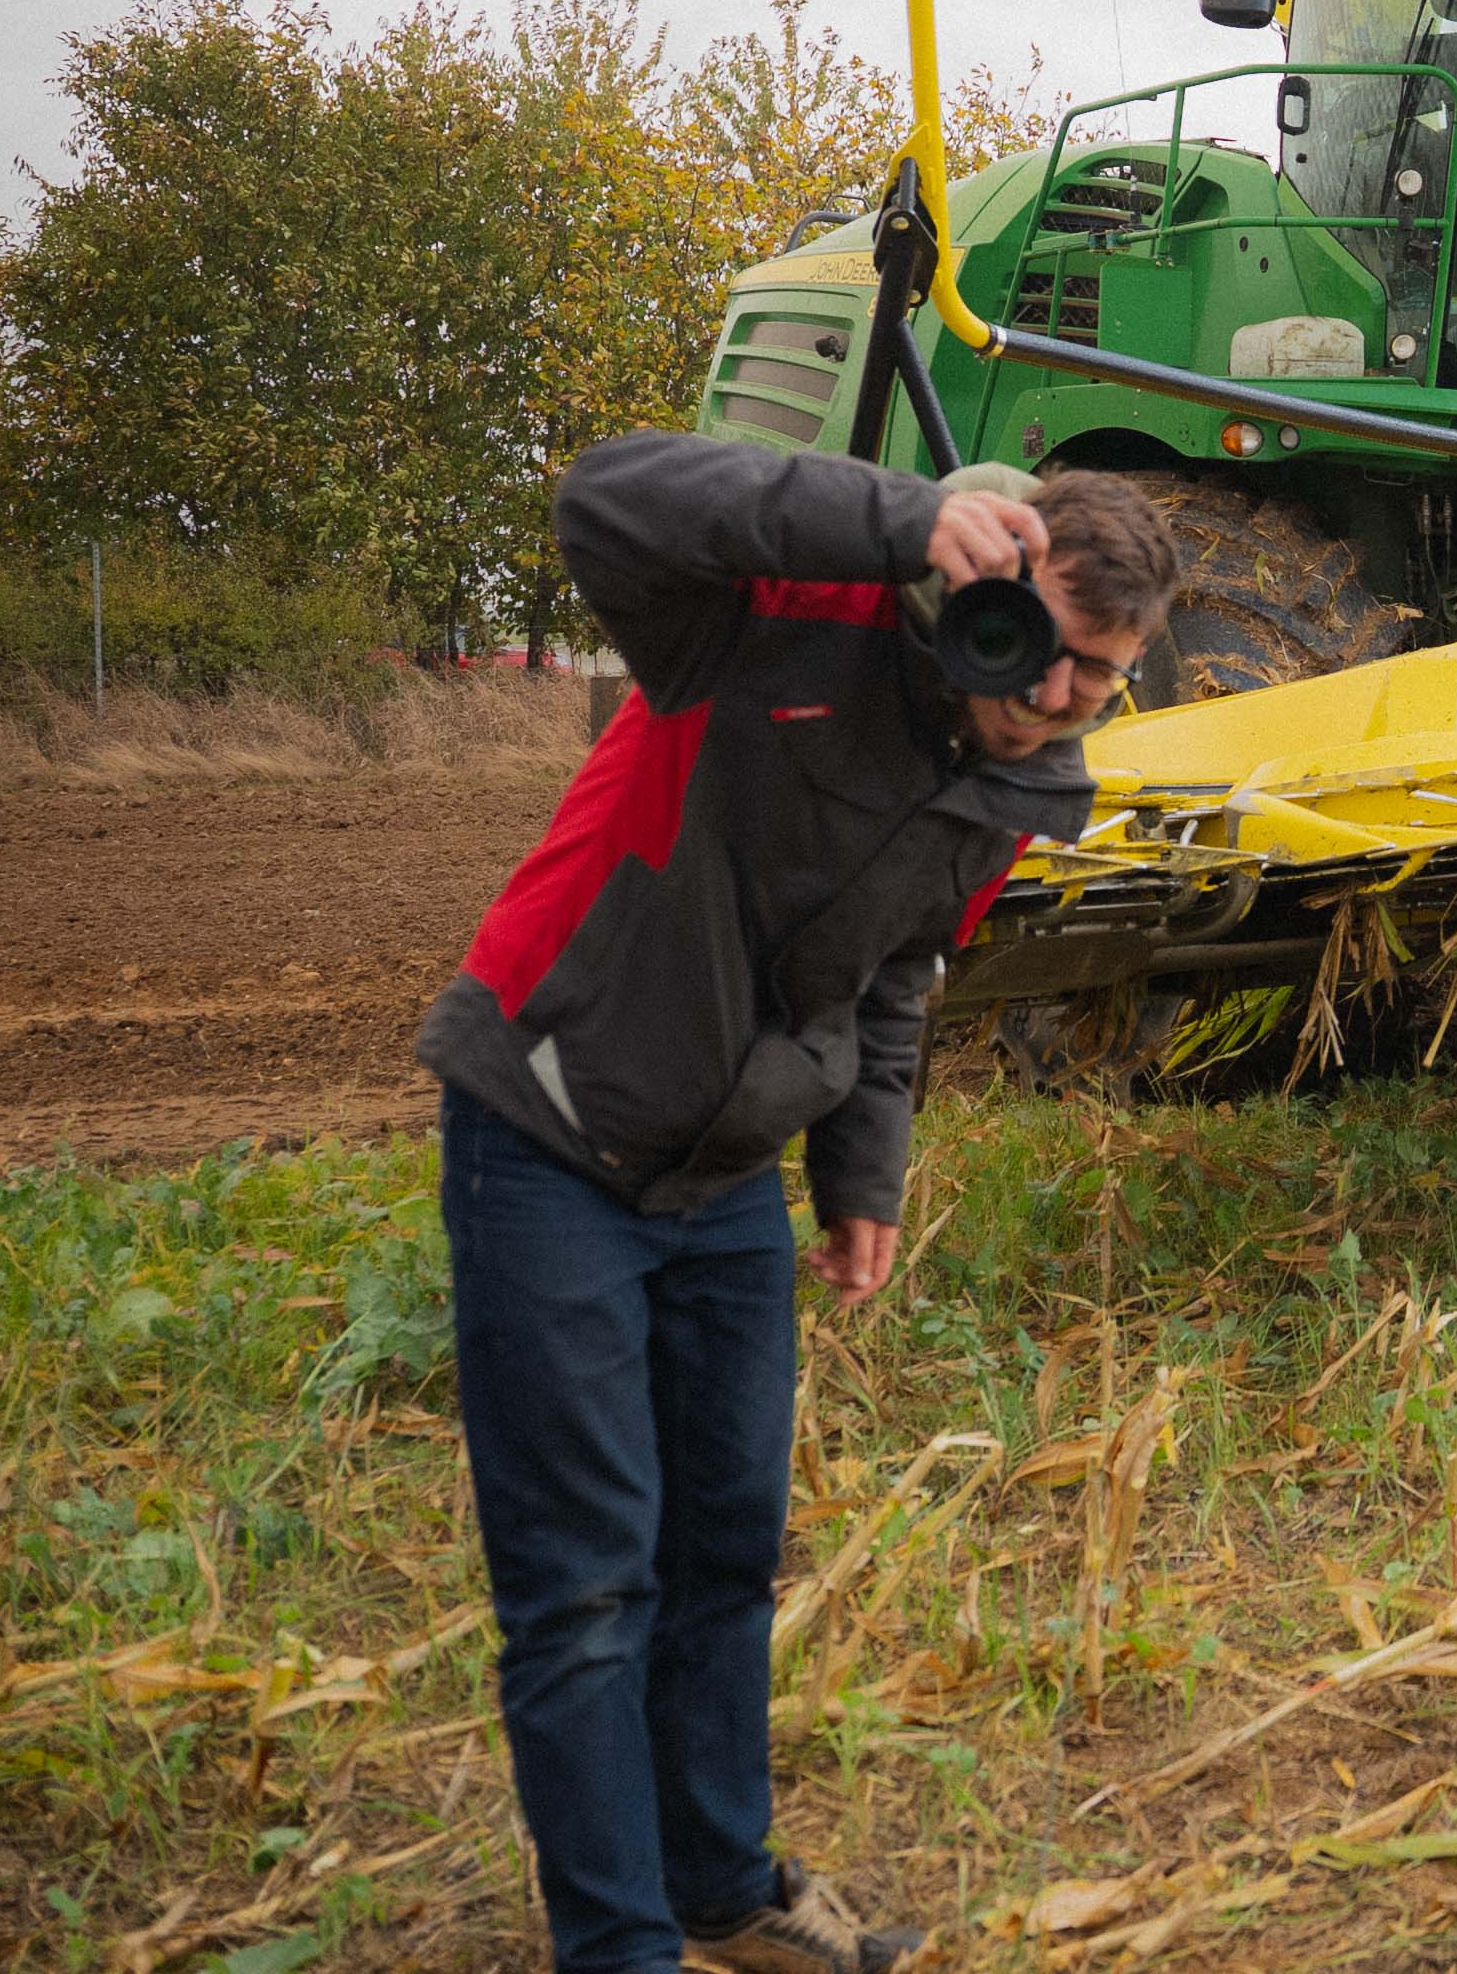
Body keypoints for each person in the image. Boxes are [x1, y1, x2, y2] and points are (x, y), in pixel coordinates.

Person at [416, 433, 1181, 1974]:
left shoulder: (1029, 780)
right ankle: (619, 1948)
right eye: (1045, 656)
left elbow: (898, 971)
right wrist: (904, 517)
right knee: (583, 1586)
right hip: (551, 1121)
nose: (1055, 701)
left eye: (1100, 680)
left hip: (723, 1180)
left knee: (726, 1549)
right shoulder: (767, 622)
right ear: (986, 585)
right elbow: (602, 498)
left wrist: (858, 1173)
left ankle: (720, 1889)